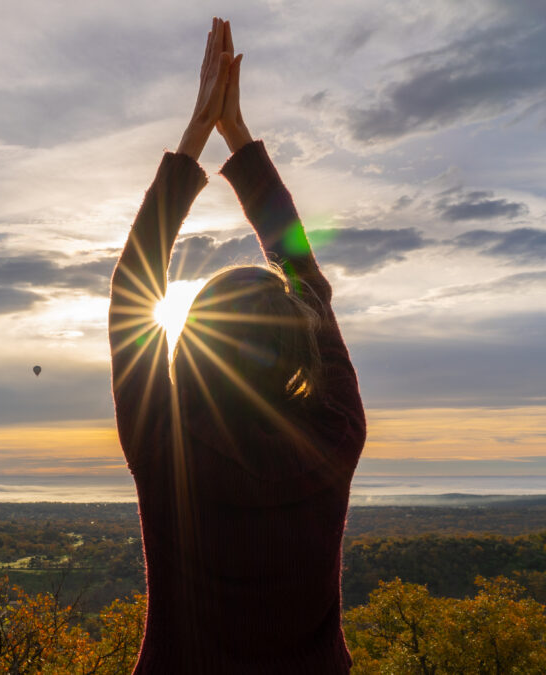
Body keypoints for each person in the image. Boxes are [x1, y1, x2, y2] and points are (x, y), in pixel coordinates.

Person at [108, 17, 366, 674]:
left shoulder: (164, 445)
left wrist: (197, 131)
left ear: (192, 345)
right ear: (297, 346)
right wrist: (238, 139)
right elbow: (309, 279)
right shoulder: (335, 437)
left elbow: (133, 289)